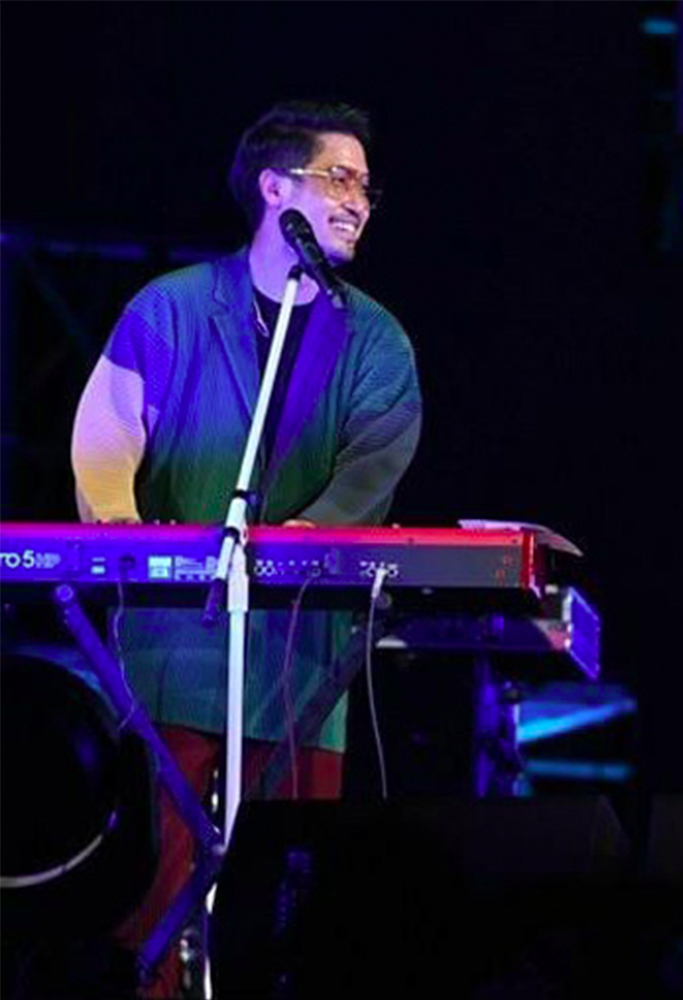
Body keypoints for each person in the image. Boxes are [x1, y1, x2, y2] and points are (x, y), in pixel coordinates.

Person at [71, 100, 422, 995]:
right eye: (338, 178)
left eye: (366, 187)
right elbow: (108, 433)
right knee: (153, 882)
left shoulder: (376, 340)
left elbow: (376, 461)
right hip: (173, 647)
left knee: (291, 901)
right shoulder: (174, 307)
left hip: (304, 662)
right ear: (274, 187)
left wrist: (313, 533)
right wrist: (114, 521)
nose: (358, 202)